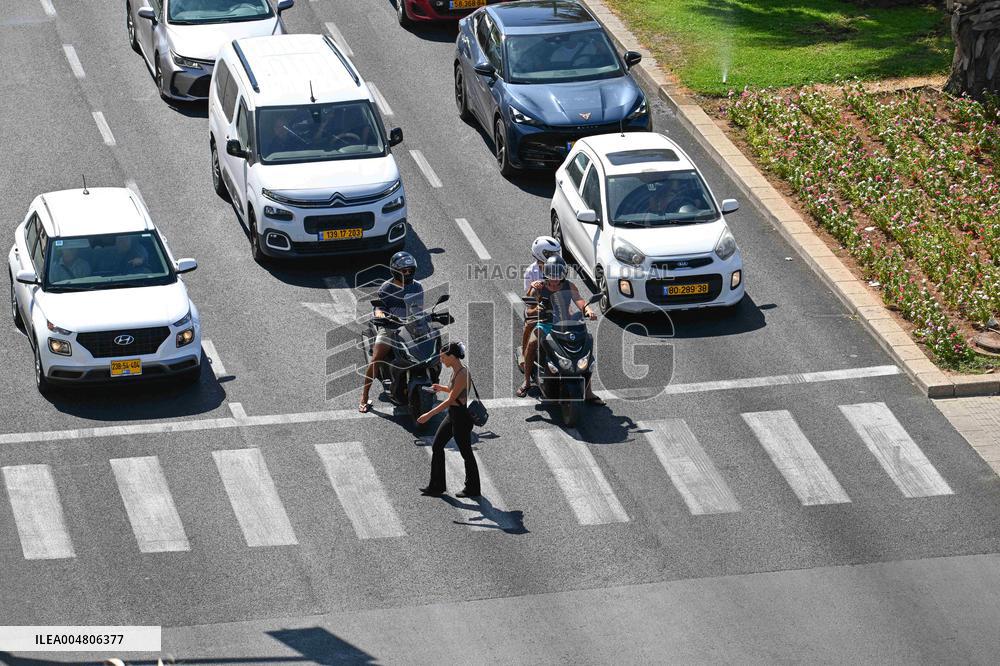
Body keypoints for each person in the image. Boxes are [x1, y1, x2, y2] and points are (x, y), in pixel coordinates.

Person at [518, 256, 604, 405]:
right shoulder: (538, 287)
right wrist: (535, 301)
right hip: (545, 324)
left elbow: (579, 300)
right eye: (552, 276)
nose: (555, 280)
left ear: (563, 274)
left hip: (566, 324)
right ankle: (526, 382)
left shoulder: (569, 286)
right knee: (532, 342)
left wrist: (588, 310)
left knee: (586, 346)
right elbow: (529, 310)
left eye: (558, 276)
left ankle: (588, 392)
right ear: (546, 274)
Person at [359, 251, 424, 413]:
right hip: (390, 327)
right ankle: (364, 396)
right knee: (377, 359)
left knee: (435, 353)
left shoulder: (417, 286)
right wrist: (381, 315)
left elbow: (418, 308)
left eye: (410, 270)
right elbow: (379, 307)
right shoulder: (386, 287)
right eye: (404, 271)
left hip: (411, 327)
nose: (407, 273)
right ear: (395, 271)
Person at [417, 341, 480, 498]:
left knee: (466, 453)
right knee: (437, 446)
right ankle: (436, 486)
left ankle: (472, 488)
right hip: (453, 415)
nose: (441, 360)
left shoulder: (463, 373)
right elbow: (454, 391)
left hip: (461, 418)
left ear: (452, 356)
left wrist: (428, 414)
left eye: (443, 357)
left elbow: (451, 399)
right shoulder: (456, 370)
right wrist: (441, 387)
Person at [520, 236, 561, 364]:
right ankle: (523, 354)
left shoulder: (558, 267)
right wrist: (534, 287)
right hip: (537, 306)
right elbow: (529, 298)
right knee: (529, 325)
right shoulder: (530, 272)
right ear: (541, 254)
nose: (555, 256)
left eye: (556, 253)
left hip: (556, 305)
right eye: (551, 253)